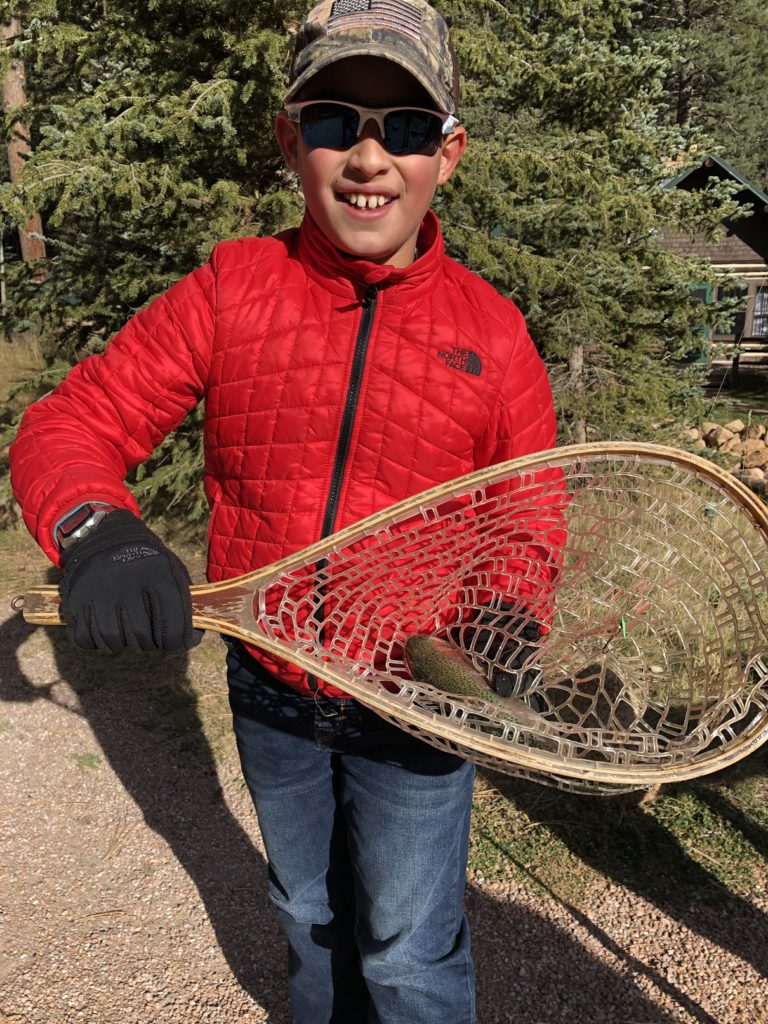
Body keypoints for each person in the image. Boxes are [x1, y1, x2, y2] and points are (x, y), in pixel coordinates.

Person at [10, 2, 557, 1021]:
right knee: (307, 914)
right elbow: (68, 425)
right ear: (286, 139)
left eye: (402, 126)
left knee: (404, 950)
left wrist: (509, 614)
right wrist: (100, 532)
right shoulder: (233, 290)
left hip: (415, 702)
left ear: (450, 151)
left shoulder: (495, 331)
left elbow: (526, 511)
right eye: (332, 120)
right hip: (272, 692)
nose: (366, 155)